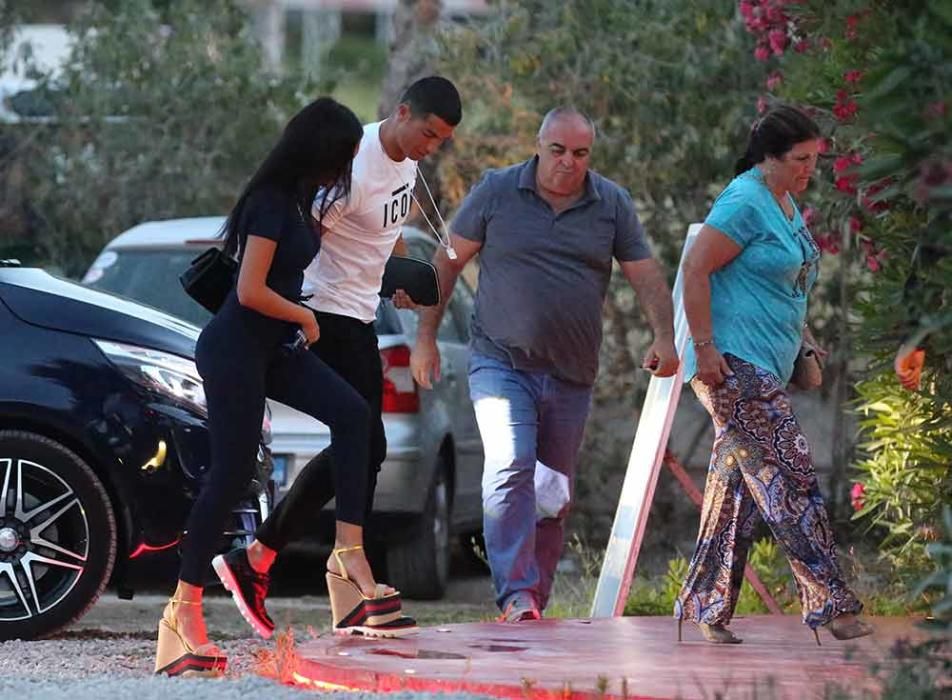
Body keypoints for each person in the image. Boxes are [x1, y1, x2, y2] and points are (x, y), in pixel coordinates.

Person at [153, 97, 397, 677]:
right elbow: (249, 291)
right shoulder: (268, 203)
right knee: (231, 472)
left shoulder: (299, 200)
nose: (348, 166)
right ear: (320, 151)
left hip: (275, 347)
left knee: (355, 415)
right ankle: (180, 616)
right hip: (236, 348)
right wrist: (307, 318)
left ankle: (348, 559)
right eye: (345, 155)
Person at [212, 76, 462, 638]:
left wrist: (395, 274)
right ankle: (324, 564)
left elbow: (388, 231)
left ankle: (280, 566)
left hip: (361, 315)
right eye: (427, 133)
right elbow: (301, 236)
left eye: (440, 140)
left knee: (364, 445)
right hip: (325, 315)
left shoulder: (405, 166)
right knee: (362, 440)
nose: (431, 147)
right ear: (401, 113)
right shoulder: (354, 160)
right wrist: (294, 308)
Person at [410, 107, 679, 622]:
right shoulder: (496, 192)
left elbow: (644, 274)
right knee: (510, 463)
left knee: (551, 490)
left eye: (580, 153)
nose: (568, 163)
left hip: (571, 374)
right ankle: (515, 594)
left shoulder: (611, 204)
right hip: (500, 361)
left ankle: (536, 598)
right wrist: (426, 338)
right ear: (539, 146)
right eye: (558, 150)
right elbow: (446, 263)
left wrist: (664, 336)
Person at [673, 104, 872, 645]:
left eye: (815, 159)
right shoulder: (743, 201)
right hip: (730, 363)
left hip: (765, 361)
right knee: (790, 472)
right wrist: (706, 348)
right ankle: (831, 601)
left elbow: (789, 283)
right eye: (801, 160)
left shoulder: (784, 203)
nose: (811, 170)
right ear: (769, 159)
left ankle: (706, 606)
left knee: (735, 487)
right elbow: (695, 269)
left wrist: (805, 341)